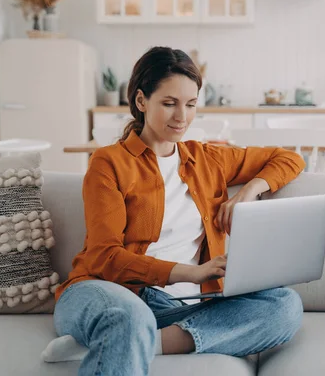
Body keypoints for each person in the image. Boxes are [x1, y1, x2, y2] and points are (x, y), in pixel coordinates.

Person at [43, 46, 307, 375]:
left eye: (191, 104)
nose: (182, 117)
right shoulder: (109, 162)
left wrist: (252, 189)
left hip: (180, 307)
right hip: (107, 293)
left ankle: (138, 341)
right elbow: (104, 258)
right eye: (169, 104)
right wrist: (190, 272)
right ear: (141, 101)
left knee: (284, 306)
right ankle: (125, 333)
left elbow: (289, 158)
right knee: (129, 318)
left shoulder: (208, 158)